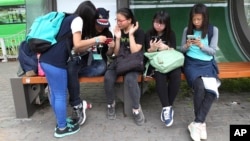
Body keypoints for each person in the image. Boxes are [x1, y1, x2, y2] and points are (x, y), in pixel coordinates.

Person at [39, 1, 108, 138]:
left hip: (46, 60)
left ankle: (61, 122)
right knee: (60, 95)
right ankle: (62, 128)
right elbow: (77, 45)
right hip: (56, 62)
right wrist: (96, 39)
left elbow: (74, 46)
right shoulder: (78, 20)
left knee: (54, 94)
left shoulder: (67, 18)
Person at [67, 7, 114, 126]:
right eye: (99, 24)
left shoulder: (107, 33)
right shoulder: (86, 30)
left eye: (104, 25)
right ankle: (77, 103)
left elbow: (108, 54)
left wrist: (112, 47)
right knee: (72, 66)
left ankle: (72, 76)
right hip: (83, 59)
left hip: (98, 62)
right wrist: (94, 42)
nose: (101, 27)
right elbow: (76, 49)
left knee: (101, 68)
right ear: (93, 21)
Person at [180, 3, 220, 141]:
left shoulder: (213, 30)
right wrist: (186, 46)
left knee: (211, 91)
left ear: (205, 18)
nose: (196, 22)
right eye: (194, 19)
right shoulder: (187, 29)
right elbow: (182, 50)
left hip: (207, 64)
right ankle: (200, 124)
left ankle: (197, 123)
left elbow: (213, 51)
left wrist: (202, 45)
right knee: (199, 87)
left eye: (199, 19)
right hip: (191, 63)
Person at [104, 8, 145, 126]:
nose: (118, 23)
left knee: (130, 79)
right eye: (117, 20)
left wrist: (131, 34)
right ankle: (110, 104)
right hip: (120, 62)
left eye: (121, 21)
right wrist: (117, 38)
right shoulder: (118, 31)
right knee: (108, 77)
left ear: (129, 20)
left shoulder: (139, 32)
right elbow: (116, 54)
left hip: (132, 63)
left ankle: (136, 109)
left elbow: (134, 52)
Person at [145, 10, 181, 127]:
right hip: (156, 63)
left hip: (170, 62)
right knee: (159, 75)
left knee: (176, 75)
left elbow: (174, 51)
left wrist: (166, 47)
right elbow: (146, 53)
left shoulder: (171, 34)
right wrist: (153, 48)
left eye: (162, 23)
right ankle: (167, 108)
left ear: (167, 24)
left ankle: (167, 106)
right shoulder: (148, 34)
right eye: (156, 22)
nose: (158, 25)